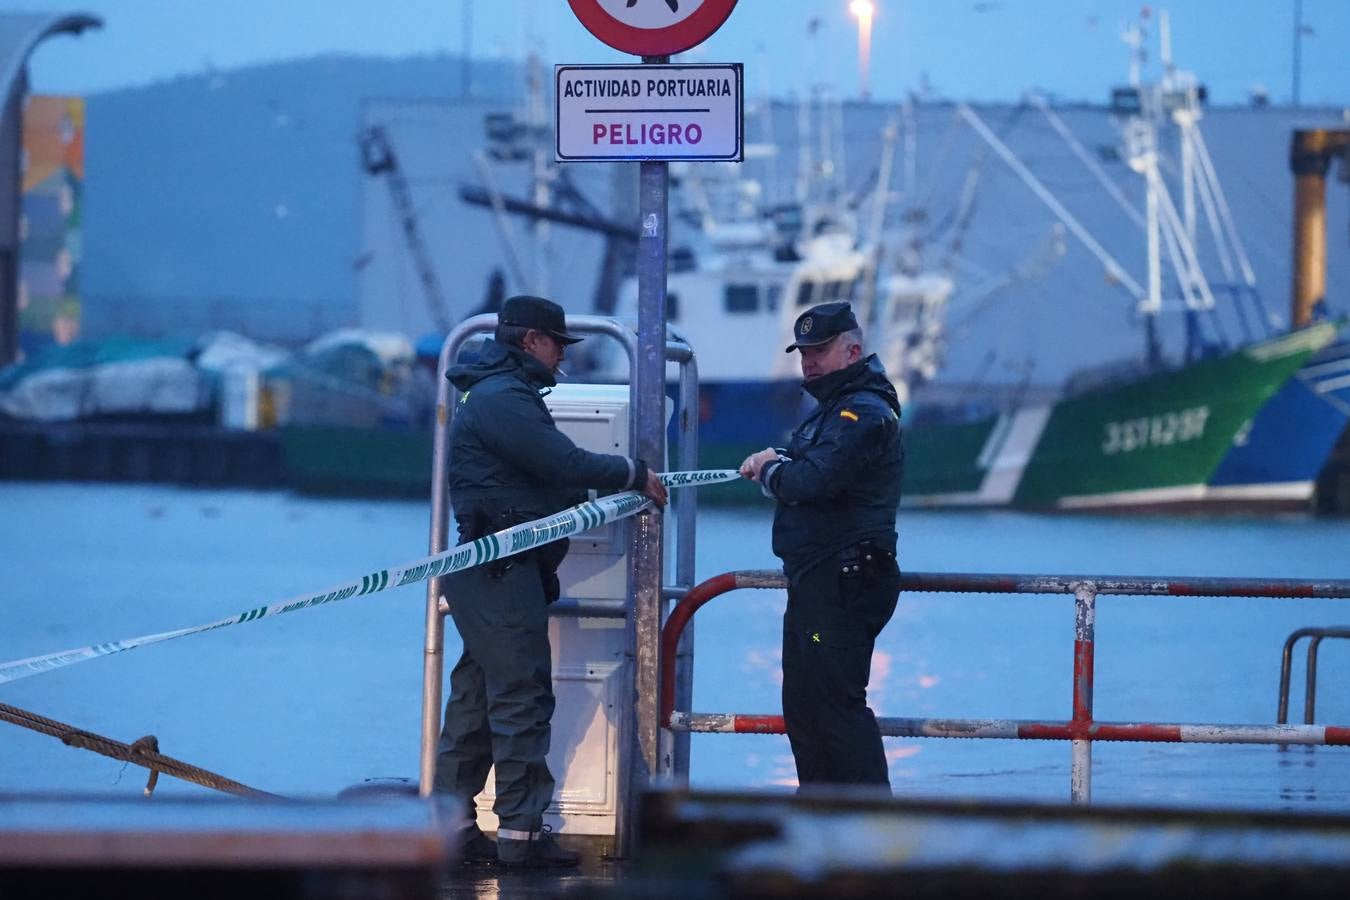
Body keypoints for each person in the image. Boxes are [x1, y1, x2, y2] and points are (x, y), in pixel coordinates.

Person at [434, 294, 667, 867]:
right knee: (520, 697)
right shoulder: (503, 398)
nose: (563, 356)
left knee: (474, 699)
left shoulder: (494, 393)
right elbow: (560, 463)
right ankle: (520, 836)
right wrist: (633, 473)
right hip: (503, 572)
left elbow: (540, 474)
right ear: (532, 340)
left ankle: (448, 826)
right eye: (558, 343)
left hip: (494, 571)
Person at [739, 300, 904, 789]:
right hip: (821, 585)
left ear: (852, 350)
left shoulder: (862, 412)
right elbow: (811, 466)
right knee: (807, 706)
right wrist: (782, 463)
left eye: (820, 350)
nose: (809, 361)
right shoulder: (835, 412)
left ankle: (866, 832)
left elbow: (816, 479)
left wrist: (771, 468)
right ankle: (820, 818)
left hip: (842, 585)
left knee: (833, 706)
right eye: (804, 352)